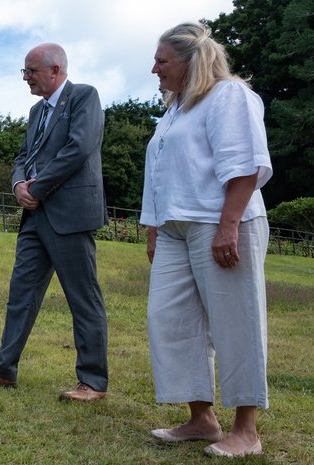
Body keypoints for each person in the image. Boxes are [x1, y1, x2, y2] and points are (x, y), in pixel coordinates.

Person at [141, 22, 272, 458]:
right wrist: (154, 227)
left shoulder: (229, 95)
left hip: (220, 223)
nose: (154, 68)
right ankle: (202, 419)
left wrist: (228, 224)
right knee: (170, 321)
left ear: (189, 60)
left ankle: (247, 430)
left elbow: (245, 163)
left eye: (162, 60)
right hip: (175, 229)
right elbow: (161, 172)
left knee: (237, 320)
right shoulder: (174, 110)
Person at [0, 43, 109, 401]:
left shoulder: (84, 97)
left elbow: (79, 148)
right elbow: (24, 156)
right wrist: (17, 185)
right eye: (24, 71)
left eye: (31, 71)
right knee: (20, 294)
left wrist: (37, 187)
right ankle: (2, 369)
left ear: (55, 70)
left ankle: (93, 381)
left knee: (83, 299)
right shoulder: (35, 111)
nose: (25, 77)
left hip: (69, 215)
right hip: (34, 217)